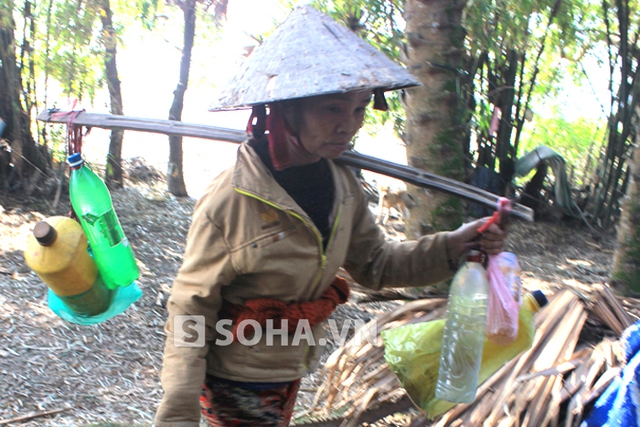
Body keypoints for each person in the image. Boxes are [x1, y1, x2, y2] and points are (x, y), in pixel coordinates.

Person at [153, 6, 507, 427]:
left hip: (290, 365)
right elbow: (191, 306)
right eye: (332, 109)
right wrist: (178, 410)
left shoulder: (341, 185)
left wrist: (453, 245)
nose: (349, 126)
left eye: (358, 110)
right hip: (234, 375)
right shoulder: (233, 198)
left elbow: (375, 265)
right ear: (285, 111)